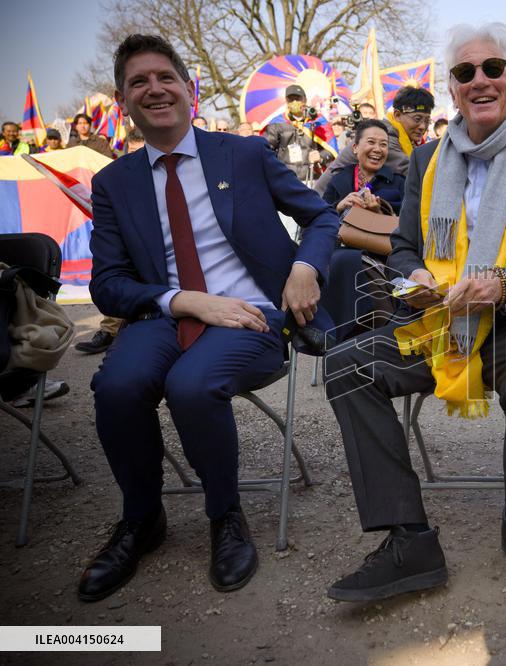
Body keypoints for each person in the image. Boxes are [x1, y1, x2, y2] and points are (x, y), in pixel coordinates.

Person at [323, 21, 506, 605]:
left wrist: (500, 287)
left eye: (493, 68)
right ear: (452, 87)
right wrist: (412, 274)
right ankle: (409, 537)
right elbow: (402, 247)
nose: (480, 80)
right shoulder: (423, 162)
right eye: (466, 72)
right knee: (347, 365)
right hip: (438, 323)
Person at [78, 34, 339, 603]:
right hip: (166, 317)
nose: (155, 89)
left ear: (188, 89)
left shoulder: (241, 154)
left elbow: (320, 217)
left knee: (192, 386)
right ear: (124, 101)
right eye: (138, 82)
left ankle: (226, 517)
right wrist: (185, 300)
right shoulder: (114, 184)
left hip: (254, 315)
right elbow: (107, 284)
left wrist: (305, 269)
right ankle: (142, 520)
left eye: (164, 77)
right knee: (117, 387)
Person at [320, 118, 406, 342]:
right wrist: (339, 207)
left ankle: (371, 337)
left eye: (384, 144)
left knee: (356, 265)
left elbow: (410, 223)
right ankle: (367, 336)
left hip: (385, 253)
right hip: (340, 250)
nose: (378, 149)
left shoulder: (398, 182)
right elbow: (316, 220)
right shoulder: (339, 180)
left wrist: (379, 213)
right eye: (371, 142)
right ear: (355, 147)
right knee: (345, 261)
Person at [76, 127, 147, 355]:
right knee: (116, 274)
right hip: (129, 242)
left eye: (141, 151)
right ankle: (109, 332)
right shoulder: (116, 178)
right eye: (131, 151)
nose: (135, 156)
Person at [264, 84, 325, 181]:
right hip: (286, 179)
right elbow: (265, 151)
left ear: (305, 99)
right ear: (286, 101)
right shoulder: (276, 123)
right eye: (291, 99)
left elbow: (330, 149)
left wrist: (321, 157)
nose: (294, 102)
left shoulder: (318, 121)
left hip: (313, 178)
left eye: (298, 98)